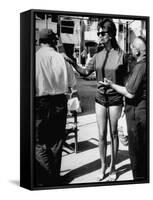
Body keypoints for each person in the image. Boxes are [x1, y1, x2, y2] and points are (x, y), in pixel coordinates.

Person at [67, 18, 127, 181]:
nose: (99, 35)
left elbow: (127, 81)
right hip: (100, 99)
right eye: (98, 33)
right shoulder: (97, 55)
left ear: (112, 34)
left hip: (115, 99)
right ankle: (103, 166)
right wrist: (72, 61)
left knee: (113, 134)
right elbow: (85, 72)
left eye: (103, 32)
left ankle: (113, 168)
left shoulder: (122, 56)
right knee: (101, 135)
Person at [101, 36, 148, 181]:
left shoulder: (141, 66)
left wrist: (111, 85)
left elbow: (130, 92)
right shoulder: (142, 64)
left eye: (133, 47)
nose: (131, 49)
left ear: (138, 51)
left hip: (137, 114)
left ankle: (139, 181)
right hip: (142, 112)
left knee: (137, 153)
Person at [35, 29, 76, 186]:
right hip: (59, 102)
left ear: (40, 41)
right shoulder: (62, 58)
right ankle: (54, 178)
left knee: (39, 142)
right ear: (54, 41)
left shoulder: (34, 58)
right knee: (56, 141)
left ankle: (45, 179)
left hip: (39, 103)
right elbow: (72, 84)